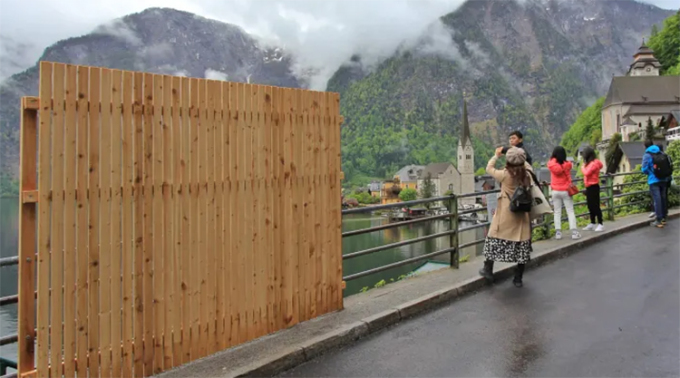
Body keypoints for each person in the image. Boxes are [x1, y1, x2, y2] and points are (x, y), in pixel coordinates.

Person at [479, 147, 534, 288]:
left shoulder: (504, 174)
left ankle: (488, 270)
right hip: (522, 215)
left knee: (493, 238)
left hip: (505, 213)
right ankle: (518, 278)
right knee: (522, 245)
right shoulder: (527, 174)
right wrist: (521, 158)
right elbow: (527, 165)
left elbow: (489, 168)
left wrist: (496, 155)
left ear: (508, 161)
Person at [548, 146, 580, 240]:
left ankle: (558, 233)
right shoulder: (567, 165)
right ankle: (574, 232)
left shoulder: (551, 164)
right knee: (570, 211)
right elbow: (569, 165)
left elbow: (553, 164)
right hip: (566, 190)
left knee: (557, 212)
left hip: (555, 190)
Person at [642, 141, 670, 228]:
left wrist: (651, 173)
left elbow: (644, 169)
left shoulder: (647, 155)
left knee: (657, 199)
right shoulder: (661, 152)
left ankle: (658, 220)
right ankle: (664, 218)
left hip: (653, 180)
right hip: (664, 178)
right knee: (663, 198)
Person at [580, 147, 604, 232]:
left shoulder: (593, 164)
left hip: (593, 186)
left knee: (595, 206)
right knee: (590, 205)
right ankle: (592, 222)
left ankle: (600, 224)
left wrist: (583, 167)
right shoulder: (592, 163)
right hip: (589, 186)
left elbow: (586, 173)